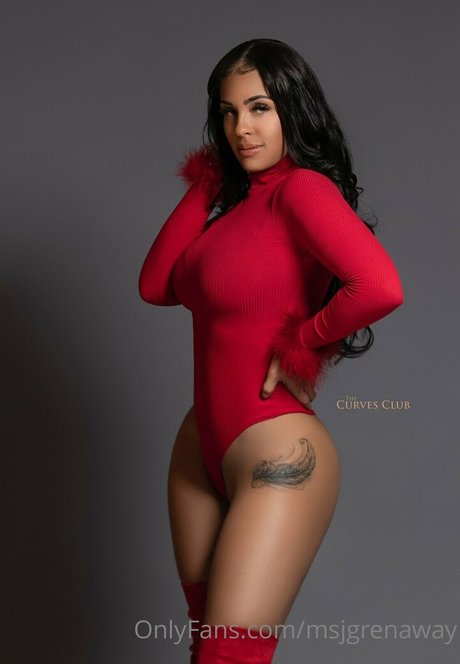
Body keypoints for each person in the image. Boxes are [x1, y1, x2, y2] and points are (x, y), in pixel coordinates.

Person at [138, 38, 404, 664]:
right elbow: (155, 286)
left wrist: (302, 342)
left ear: (292, 109)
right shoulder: (231, 210)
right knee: (205, 645)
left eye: (259, 108)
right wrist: (209, 181)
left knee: (229, 656)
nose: (242, 128)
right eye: (228, 113)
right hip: (199, 447)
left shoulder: (301, 191)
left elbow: (381, 286)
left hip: (273, 446)